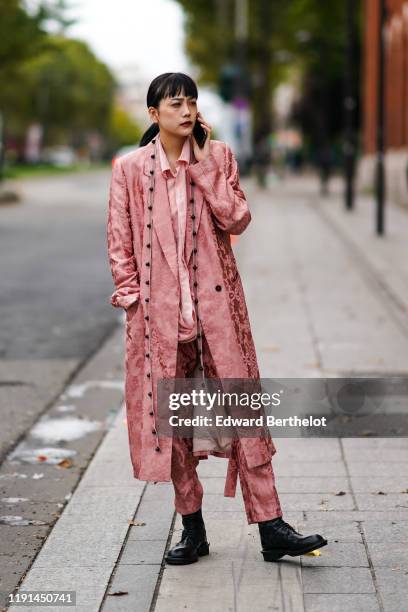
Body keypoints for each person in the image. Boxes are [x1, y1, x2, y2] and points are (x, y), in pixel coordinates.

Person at [106, 72, 327, 565]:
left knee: (244, 411)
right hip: (160, 320)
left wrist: (205, 169)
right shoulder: (128, 169)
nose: (186, 112)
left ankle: (272, 527)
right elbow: (119, 242)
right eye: (174, 104)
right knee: (177, 424)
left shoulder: (219, 157)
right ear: (153, 113)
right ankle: (193, 529)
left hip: (217, 309)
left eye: (191, 102)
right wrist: (134, 301)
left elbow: (238, 219)